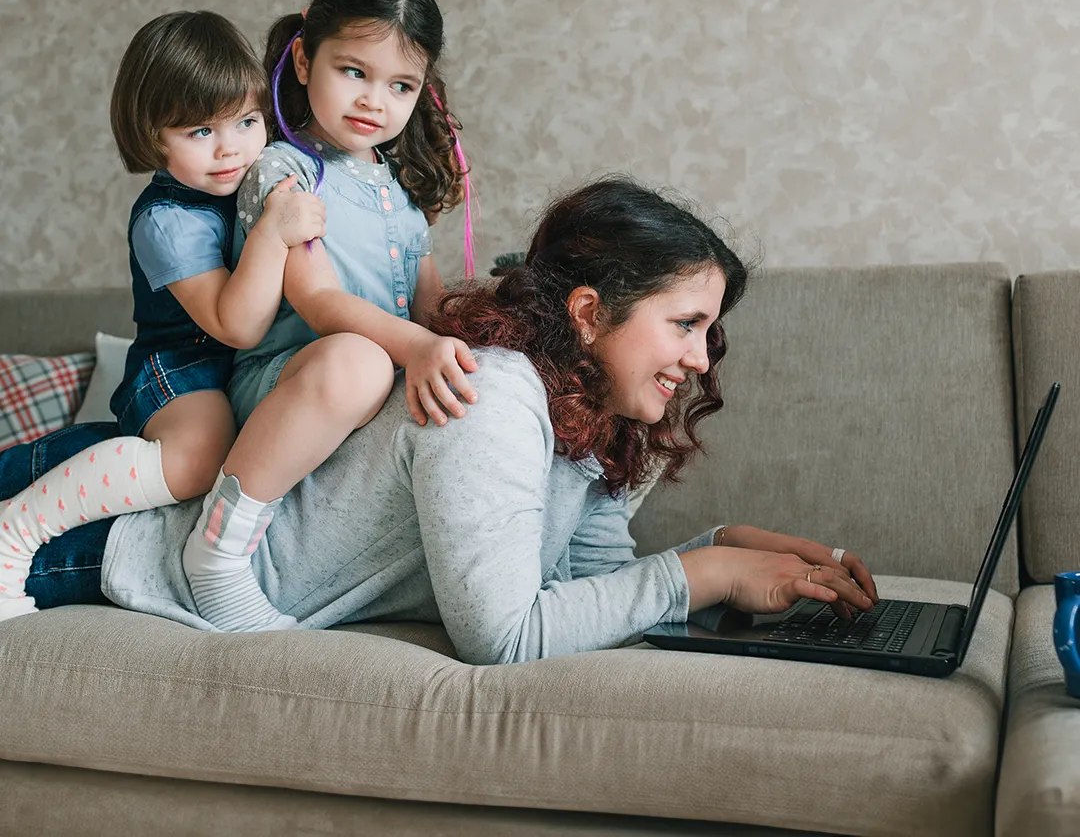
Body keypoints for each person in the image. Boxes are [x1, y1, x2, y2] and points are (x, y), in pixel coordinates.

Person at [0, 177, 878, 660]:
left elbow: (586, 589)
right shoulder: (493, 395)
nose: (700, 357)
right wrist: (708, 575)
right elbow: (504, 635)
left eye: (708, 329)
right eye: (684, 323)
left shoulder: (601, 422)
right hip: (108, 540)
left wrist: (731, 554)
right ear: (585, 314)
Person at [179, 0, 481, 633]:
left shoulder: (401, 189)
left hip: (374, 383)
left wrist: (481, 324)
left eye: (401, 84)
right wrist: (420, 344)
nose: (376, 100)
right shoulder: (284, 170)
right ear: (305, 59)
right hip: (290, 383)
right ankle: (218, 551)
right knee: (360, 359)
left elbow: (428, 304)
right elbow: (316, 301)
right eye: (355, 72)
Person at [0, 11, 325, 620]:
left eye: (247, 122)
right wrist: (273, 235)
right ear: (153, 135)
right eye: (200, 131)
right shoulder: (165, 221)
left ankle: (34, 470)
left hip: (236, 368)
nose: (230, 147)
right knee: (200, 455)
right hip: (179, 363)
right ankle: (14, 533)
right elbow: (238, 324)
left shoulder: (260, 173)